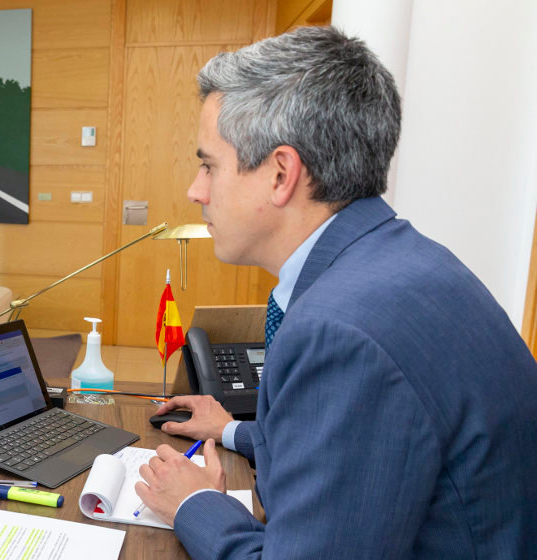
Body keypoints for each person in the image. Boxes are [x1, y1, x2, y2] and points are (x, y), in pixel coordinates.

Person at [135, 26, 537, 558]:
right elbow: (371, 453)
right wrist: (233, 431)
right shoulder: (402, 261)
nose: (196, 190)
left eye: (209, 165)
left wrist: (194, 505)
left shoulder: (340, 331)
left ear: (281, 174)